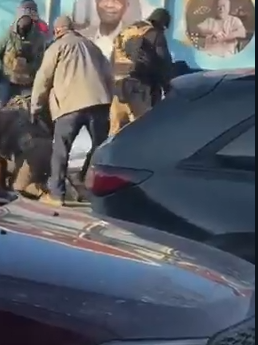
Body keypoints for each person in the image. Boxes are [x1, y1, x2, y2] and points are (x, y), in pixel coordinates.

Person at [30, 15, 114, 206]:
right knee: (99, 149)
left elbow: (43, 79)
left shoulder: (57, 47)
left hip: (70, 105)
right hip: (99, 103)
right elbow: (108, 74)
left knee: (61, 150)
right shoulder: (92, 47)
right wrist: (108, 99)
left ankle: (56, 194)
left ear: (58, 30)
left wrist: (35, 106)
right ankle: (87, 186)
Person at [109, 7, 173, 135]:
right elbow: (163, 64)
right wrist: (168, 87)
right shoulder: (155, 34)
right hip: (141, 90)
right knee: (143, 131)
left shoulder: (128, 31)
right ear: (162, 24)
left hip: (119, 88)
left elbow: (113, 58)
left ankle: (110, 148)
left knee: (115, 131)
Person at [0, 5, 46, 106]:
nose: (23, 24)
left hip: (27, 82)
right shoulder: (8, 35)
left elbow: (41, 61)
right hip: (7, 79)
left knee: (28, 108)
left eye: (27, 20)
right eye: (21, 20)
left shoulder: (38, 37)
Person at [73, 0, 145, 60]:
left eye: (117, 1)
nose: (109, 5)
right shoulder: (78, 40)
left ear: (126, 5)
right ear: (96, 2)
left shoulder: (137, 44)